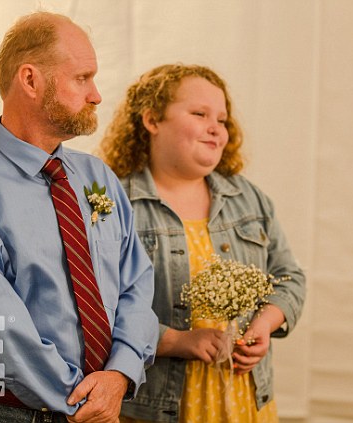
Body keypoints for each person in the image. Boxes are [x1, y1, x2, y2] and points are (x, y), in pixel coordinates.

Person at [0, 12, 158, 423]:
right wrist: (87, 401)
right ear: (30, 80)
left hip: (99, 404)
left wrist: (120, 373)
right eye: (82, 78)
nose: (96, 95)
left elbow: (136, 283)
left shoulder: (98, 177)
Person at [99, 64, 306, 422]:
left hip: (247, 405)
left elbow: (289, 276)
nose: (216, 129)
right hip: (158, 409)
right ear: (152, 120)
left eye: (222, 120)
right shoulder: (116, 205)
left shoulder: (248, 198)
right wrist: (177, 341)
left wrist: (264, 324)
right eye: (200, 114)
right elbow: (99, 310)